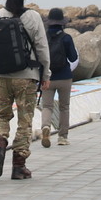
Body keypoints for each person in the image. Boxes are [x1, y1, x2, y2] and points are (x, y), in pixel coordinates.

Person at [0, 0, 50, 179]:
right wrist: (46, 75)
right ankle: (19, 166)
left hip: (0, 77)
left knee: (2, 115)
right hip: (26, 77)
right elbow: (42, 49)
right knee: (24, 121)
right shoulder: (33, 17)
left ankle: (0, 144)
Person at [39, 8, 78, 148]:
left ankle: (46, 127)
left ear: (49, 22)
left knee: (47, 106)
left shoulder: (43, 38)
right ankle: (62, 137)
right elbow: (73, 57)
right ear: (62, 22)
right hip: (65, 77)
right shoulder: (66, 38)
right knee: (64, 107)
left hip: (47, 77)